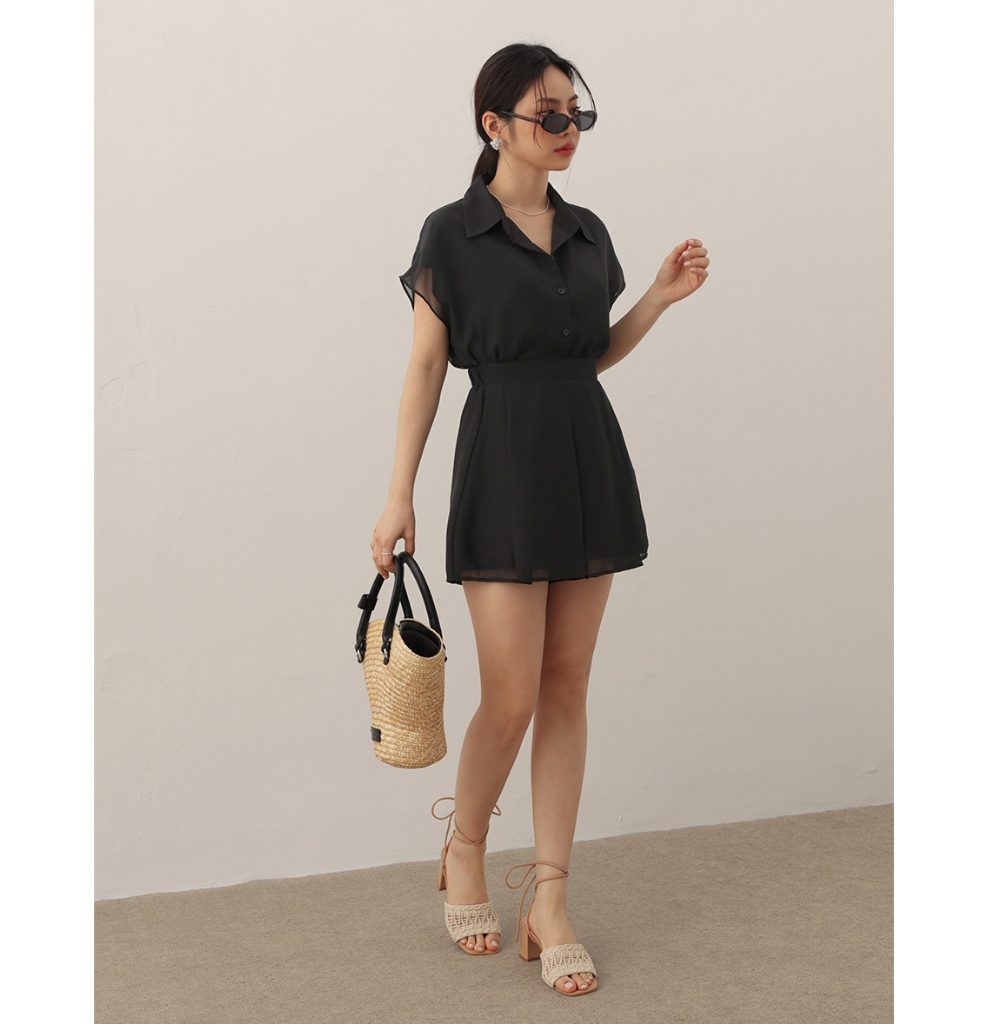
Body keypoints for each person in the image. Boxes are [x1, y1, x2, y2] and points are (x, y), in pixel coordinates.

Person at [370, 42, 709, 996]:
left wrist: (656, 299)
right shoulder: (451, 233)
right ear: (494, 125)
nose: (567, 130)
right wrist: (397, 492)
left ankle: (551, 899)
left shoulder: (589, 231)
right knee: (511, 693)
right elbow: (427, 367)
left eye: (576, 114)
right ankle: (465, 848)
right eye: (549, 114)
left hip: (586, 460)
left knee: (567, 687)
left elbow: (583, 355)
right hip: (503, 467)